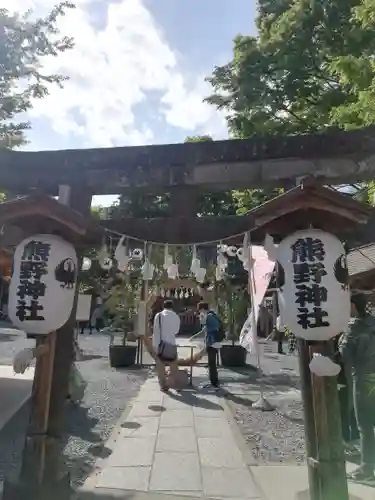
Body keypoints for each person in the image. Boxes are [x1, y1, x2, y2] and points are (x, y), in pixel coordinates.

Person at [339, 292, 375, 481]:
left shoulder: (354, 327)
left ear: (353, 306)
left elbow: (345, 354)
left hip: (363, 378)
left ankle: (367, 468)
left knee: (365, 426)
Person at [153, 300, 180, 392]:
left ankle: (163, 385)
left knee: (160, 366)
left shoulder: (159, 315)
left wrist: (155, 345)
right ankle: (173, 384)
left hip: (160, 344)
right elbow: (176, 331)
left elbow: (156, 331)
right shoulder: (176, 316)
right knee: (173, 365)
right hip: (172, 343)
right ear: (172, 307)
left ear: (163, 306)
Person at [197, 302, 221, 388]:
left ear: (203, 309)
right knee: (212, 362)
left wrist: (206, 328)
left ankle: (214, 382)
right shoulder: (212, 315)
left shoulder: (208, 316)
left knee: (212, 362)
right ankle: (214, 380)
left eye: (200, 310)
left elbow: (210, 326)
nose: (199, 312)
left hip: (212, 341)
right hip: (214, 341)